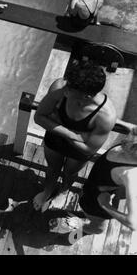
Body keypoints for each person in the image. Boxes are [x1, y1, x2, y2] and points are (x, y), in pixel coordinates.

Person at [33, 60, 117, 212]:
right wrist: (73, 134)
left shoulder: (105, 116)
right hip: (56, 139)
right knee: (52, 168)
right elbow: (39, 117)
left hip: (76, 150)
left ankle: (63, 191)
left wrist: (56, 123)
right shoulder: (61, 87)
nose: (64, 90)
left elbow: (87, 150)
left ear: (87, 96)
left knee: (70, 172)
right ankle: (47, 191)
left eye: (69, 89)